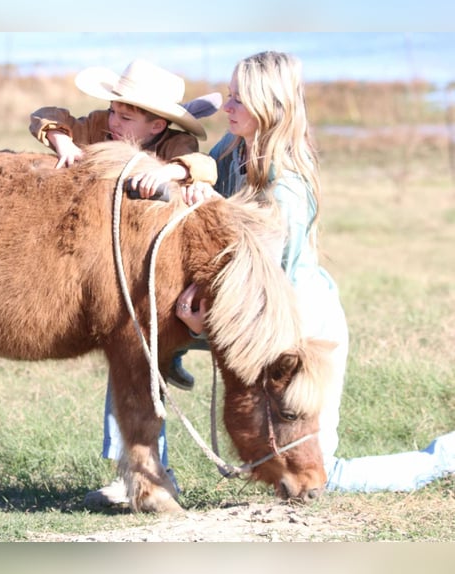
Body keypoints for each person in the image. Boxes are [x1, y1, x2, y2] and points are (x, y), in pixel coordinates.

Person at [168, 50, 455, 494]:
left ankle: (445, 457)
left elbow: (280, 292)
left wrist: (206, 330)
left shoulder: (285, 189)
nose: (228, 107)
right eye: (229, 95)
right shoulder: (230, 152)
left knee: (325, 474)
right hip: (261, 321)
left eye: (238, 100)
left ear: (269, 106)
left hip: (301, 330)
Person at [29, 59, 221, 506]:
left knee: (147, 343)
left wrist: (173, 172)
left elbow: (202, 165)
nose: (114, 122)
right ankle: (131, 463)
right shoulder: (100, 126)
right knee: (131, 348)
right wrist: (62, 141)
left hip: (150, 263)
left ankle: (167, 373)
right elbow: (47, 116)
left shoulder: (176, 142)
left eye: (126, 116)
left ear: (157, 125)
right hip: (104, 249)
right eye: (113, 110)